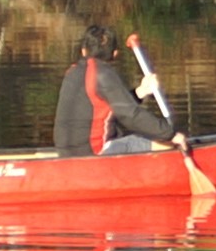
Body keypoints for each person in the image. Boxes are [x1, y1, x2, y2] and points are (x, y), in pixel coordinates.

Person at [53, 24, 185, 157]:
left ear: (83, 51)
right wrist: (171, 135)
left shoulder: (72, 71)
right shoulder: (103, 73)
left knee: (132, 136)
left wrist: (141, 91)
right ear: (115, 54)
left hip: (64, 152)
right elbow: (130, 116)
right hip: (94, 153)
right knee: (154, 143)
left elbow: (110, 108)